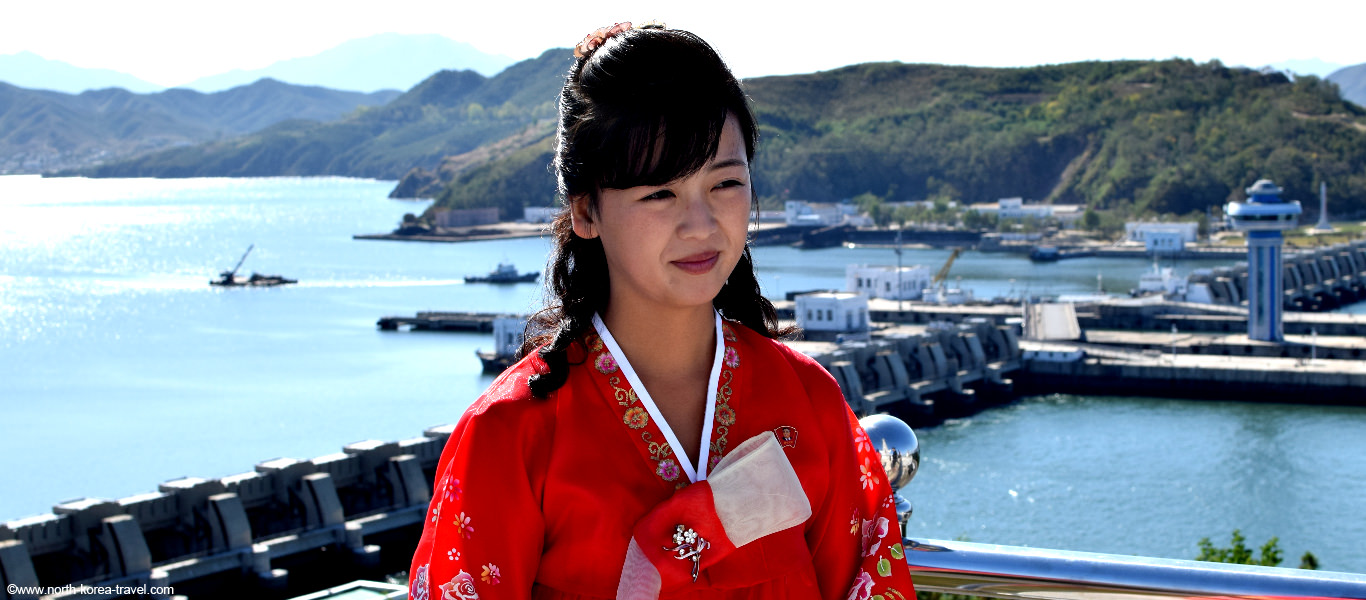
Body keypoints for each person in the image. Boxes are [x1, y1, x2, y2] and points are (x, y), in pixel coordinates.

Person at [409, 22, 915, 600]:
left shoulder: (810, 402)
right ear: (586, 212)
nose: (700, 225)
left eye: (725, 183)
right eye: (658, 193)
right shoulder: (512, 434)